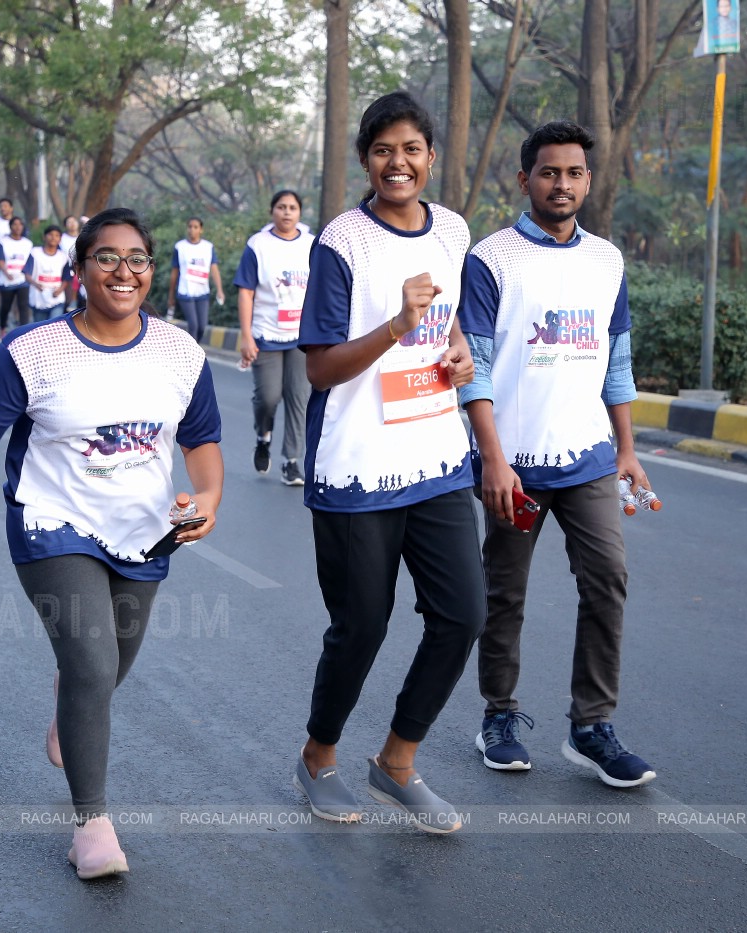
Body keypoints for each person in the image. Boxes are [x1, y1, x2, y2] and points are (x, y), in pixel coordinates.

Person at [0, 207, 223, 879]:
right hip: (51, 520)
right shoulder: (33, 350)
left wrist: (207, 501)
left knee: (105, 666)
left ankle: (73, 701)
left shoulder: (180, 353)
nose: (124, 270)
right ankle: (91, 823)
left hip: (146, 531)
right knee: (92, 667)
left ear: (153, 269)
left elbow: (203, 444)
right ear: (79, 269)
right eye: (106, 257)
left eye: (137, 258)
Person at [294, 91, 483, 833]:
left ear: (429, 156)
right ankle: (318, 757)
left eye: (410, 149)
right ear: (365, 160)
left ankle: (396, 760)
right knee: (361, 626)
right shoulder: (342, 242)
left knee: (462, 615)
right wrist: (396, 324)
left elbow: (452, 317)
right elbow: (320, 369)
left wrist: (458, 345)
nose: (396, 162)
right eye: (382, 150)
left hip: (438, 459)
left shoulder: (454, 231)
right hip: (356, 469)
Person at [459, 120, 656, 788]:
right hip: (513, 463)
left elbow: (617, 359)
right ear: (525, 180)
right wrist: (491, 458)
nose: (561, 183)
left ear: (588, 181)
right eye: (548, 172)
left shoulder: (607, 261)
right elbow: (475, 368)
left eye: (573, 173)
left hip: (589, 459)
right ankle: (498, 714)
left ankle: (590, 724)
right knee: (504, 592)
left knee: (607, 578)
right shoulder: (491, 259)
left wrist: (626, 448)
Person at [234, 190, 313, 485]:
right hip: (266, 333)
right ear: (272, 211)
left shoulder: (310, 243)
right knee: (268, 397)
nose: (287, 212)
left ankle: (291, 461)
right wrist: (246, 336)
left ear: (300, 213)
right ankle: (263, 436)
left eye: (293, 207)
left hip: (301, 337)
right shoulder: (258, 245)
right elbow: (246, 291)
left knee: (299, 398)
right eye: (281, 207)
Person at [166, 216, 223, 346]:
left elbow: (214, 269)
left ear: (201, 230)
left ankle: (190, 349)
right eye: (190, 226)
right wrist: (171, 296)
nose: (192, 230)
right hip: (185, 291)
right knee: (194, 325)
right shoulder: (180, 247)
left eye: (195, 227)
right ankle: (191, 355)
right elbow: (175, 272)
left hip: (202, 293)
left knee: (202, 327)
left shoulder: (208, 247)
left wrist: (220, 290)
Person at [24, 225, 73, 321]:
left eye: (57, 235)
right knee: (40, 328)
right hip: (38, 298)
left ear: (60, 239)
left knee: (54, 325)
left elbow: (66, 277)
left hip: (57, 299)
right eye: (50, 234)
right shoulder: (35, 253)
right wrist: (36, 284)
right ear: (44, 237)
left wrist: (60, 289)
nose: (53, 237)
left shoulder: (63, 256)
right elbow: (27, 274)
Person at [0, 216, 32, 337]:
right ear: (10, 227)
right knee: (5, 307)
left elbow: (31, 262)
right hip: (7, 280)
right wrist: (6, 272)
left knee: (23, 307)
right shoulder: (3, 242)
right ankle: (2, 327)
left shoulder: (28, 243)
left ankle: (24, 333)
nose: (18, 227)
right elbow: (0, 260)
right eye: (15, 224)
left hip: (23, 280)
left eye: (20, 224)